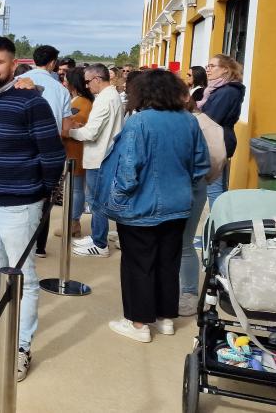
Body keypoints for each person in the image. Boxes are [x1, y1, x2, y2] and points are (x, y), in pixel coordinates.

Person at [0, 36, 65, 381]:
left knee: (24, 279)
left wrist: (40, 193)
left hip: (20, 205)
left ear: (13, 65)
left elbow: (52, 154)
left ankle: (21, 345)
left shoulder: (30, 102)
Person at [98, 70, 209, 343]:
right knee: (167, 262)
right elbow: (201, 164)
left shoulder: (139, 122)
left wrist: (116, 201)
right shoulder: (189, 121)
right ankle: (165, 318)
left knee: (139, 264)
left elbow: (127, 171)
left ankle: (139, 323)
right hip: (179, 202)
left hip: (141, 206)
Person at [67, 63, 126, 257]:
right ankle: (96, 237)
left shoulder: (105, 99)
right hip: (104, 155)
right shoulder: (110, 96)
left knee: (97, 201)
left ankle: (99, 243)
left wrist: (70, 131)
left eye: (87, 81)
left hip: (99, 157)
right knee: (96, 199)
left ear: (97, 79)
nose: (86, 86)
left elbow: (91, 132)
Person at [24, 45, 74, 257]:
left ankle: (20, 243)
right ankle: (39, 246)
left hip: (21, 150)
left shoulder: (17, 83)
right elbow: (66, 129)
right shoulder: (60, 89)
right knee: (44, 198)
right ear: (53, 62)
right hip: (48, 152)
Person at [179, 96, 226, 316]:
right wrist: (206, 179)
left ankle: (186, 293)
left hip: (182, 187)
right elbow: (218, 159)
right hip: (197, 186)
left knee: (179, 245)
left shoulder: (187, 122)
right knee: (185, 244)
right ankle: (187, 294)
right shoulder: (207, 122)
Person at [199, 54, 245, 209]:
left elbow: (211, 119)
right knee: (217, 187)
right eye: (207, 66)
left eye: (212, 66)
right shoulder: (218, 90)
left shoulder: (227, 91)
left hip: (218, 142)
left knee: (214, 189)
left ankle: (218, 229)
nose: (208, 69)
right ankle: (219, 227)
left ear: (225, 70)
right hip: (218, 140)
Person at [54, 67, 93, 238]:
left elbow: (68, 127)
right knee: (76, 189)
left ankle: (73, 222)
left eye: (66, 80)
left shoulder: (80, 103)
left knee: (76, 190)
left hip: (76, 151)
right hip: (75, 150)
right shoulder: (79, 101)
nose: (64, 82)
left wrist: (64, 127)